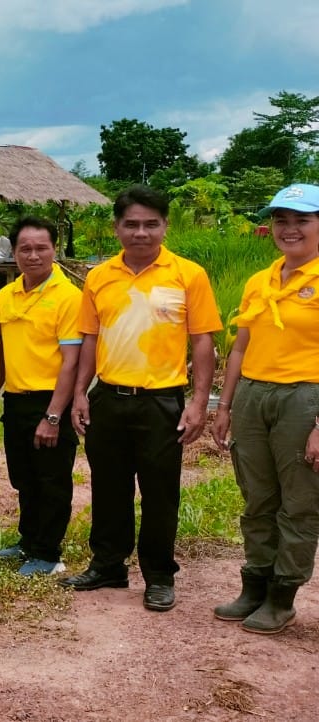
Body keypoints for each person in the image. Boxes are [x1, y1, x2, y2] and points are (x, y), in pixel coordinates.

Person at [65, 185, 222, 612]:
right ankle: (109, 564)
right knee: (108, 486)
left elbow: (202, 342)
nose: (141, 232)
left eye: (151, 224)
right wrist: (81, 393)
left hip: (162, 402)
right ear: (116, 227)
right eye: (131, 224)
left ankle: (158, 575)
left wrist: (199, 403)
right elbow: (89, 340)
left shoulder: (188, 274)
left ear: (165, 226)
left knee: (159, 492)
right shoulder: (98, 277)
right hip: (109, 399)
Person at [210, 183, 319, 633]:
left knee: (299, 502)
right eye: (281, 220)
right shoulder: (262, 280)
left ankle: (282, 595)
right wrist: (226, 405)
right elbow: (239, 348)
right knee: (257, 497)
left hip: (304, 397)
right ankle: (254, 584)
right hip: (254, 394)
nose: (289, 229)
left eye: (302, 220)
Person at [0, 217, 82, 575]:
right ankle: (27, 541)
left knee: (52, 480)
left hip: (52, 400)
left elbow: (71, 362)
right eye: (24, 248)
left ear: (54, 250)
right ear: (13, 252)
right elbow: (0, 355)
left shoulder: (69, 297)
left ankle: (48, 553)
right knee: (24, 477)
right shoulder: (5, 294)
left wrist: (54, 416)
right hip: (16, 400)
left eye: (41, 248)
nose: (33, 255)